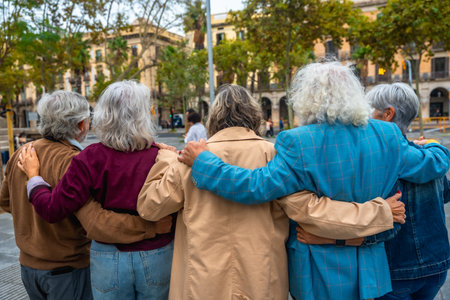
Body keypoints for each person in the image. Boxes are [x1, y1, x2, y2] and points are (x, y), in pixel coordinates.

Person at [178, 62, 450, 300]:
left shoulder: (297, 142)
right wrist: (436, 147)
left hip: (317, 270)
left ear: (306, 98)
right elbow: (428, 167)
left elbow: (254, 187)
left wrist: (204, 161)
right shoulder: (388, 134)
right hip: (371, 270)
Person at [137, 84, 405, 299]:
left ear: (213, 118)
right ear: (255, 116)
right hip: (262, 281)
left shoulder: (190, 157)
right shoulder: (275, 155)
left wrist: (166, 159)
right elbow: (311, 211)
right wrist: (380, 212)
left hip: (201, 283)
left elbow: (149, 207)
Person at [0, 91, 171, 300]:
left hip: (28, 267)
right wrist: (152, 227)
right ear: (82, 125)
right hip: (67, 270)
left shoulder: (22, 153)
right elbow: (97, 222)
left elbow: (6, 202)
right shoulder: (73, 161)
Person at [296, 82, 450, 300]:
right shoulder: (427, 156)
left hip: (394, 271)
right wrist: (433, 145)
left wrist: (328, 239)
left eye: (369, 112)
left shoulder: (380, 160)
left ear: (388, 114)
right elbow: (445, 194)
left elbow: (380, 229)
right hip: (437, 267)